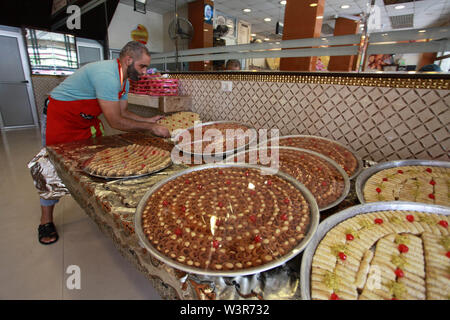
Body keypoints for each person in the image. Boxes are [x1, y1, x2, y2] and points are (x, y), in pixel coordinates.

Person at [37, 41, 170, 245]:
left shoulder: (124, 80)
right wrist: (150, 129)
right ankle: (45, 220)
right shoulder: (107, 76)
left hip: (85, 121)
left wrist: (148, 120)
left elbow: (123, 112)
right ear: (128, 60)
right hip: (61, 117)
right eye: (142, 66)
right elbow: (115, 121)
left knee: (90, 164)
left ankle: (92, 205)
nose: (144, 72)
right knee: (52, 166)